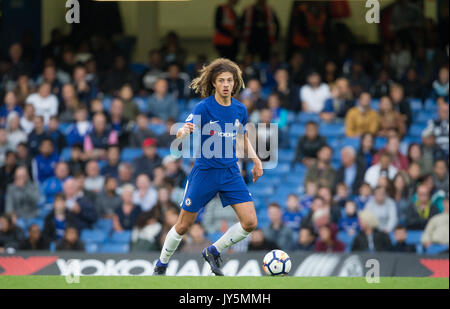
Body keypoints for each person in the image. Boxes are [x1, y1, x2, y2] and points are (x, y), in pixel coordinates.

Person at [153, 58, 262, 276]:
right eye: (221, 80)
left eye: (229, 80)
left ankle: (213, 251)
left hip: (230, 172)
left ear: (235, 83)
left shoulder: (240, 109)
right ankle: (162, 264)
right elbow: (183, 130)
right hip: (205, 172)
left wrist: (257, 160)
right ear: (213, 83)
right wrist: (184, 131)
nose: (225, 84)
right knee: (183, 225)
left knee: (250, 222)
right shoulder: (203, 107)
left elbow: (241, 137)